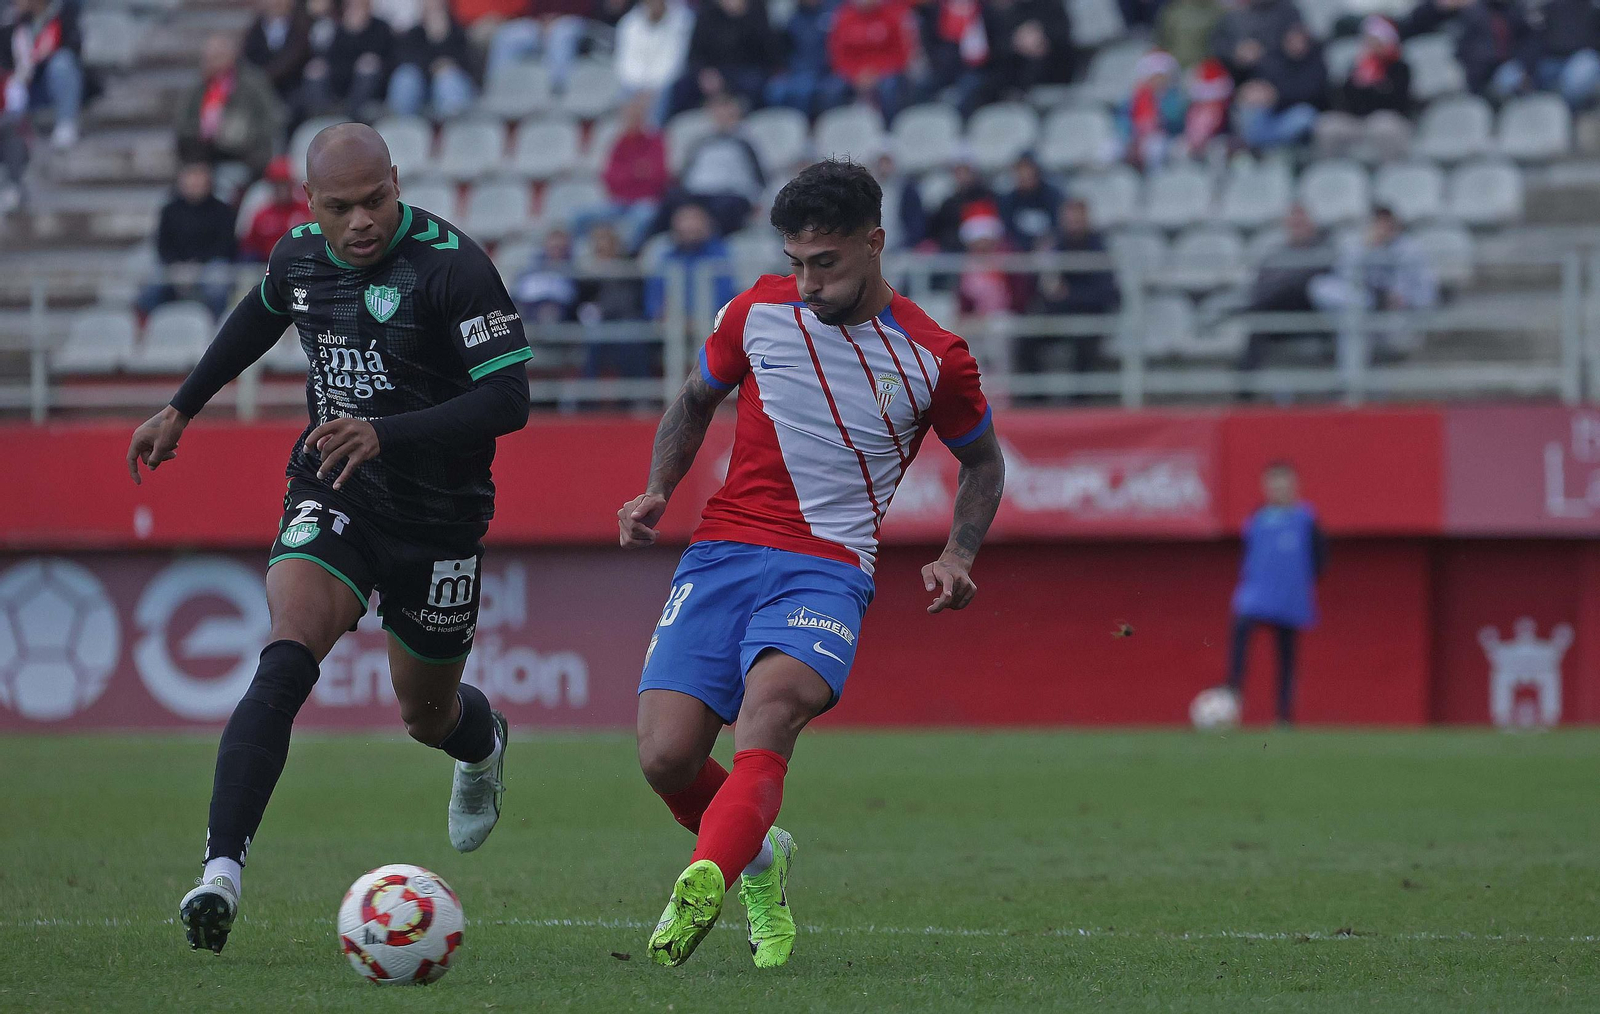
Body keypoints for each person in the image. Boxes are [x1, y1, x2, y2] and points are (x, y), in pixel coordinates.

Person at [127, 123, 532, 954]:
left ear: (398, 182)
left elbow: (510, 402)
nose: (360, 222)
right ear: (309, 203)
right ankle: (220, 875)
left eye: (375, 200)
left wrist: (388, 430)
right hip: (335, 488)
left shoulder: (454, 267)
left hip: (441, 518)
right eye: (340, 206)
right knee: (286, 653)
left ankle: (482, 742)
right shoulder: (297, 257)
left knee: (426, 717)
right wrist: (182, 405)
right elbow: (257, 317)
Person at [617, 158, 1005, 968]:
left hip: (826, 567)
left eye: (824, 264)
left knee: (771, 713)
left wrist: (958, 551)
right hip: (721, 553)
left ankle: (704, 879)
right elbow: (695, 400)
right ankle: (761, 854)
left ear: (875, 243)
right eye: (795, 262)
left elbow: (983, 461)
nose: (807, 283)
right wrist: (658, 488)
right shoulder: (755, 311)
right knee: (665, 757)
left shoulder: (936, 357)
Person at [1222, 461, 1325, 724]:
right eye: (1273, 483)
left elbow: (1320, 558)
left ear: (1294, 486)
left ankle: (1284, 715)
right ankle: (1231, 699)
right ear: (1265, 486)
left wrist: (1299, 583)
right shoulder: (1256, 519)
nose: (1279, 488)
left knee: (1286, 656)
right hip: (1255, 595)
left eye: (1284, 483)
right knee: (1241, 638)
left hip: (1289, 599)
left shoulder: (1307, 519)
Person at [1308, 205, 1437, 358]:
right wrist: (1366, 247)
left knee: (1353, 319)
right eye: (1378, 223)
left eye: (1386, 223)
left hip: (1396, 317)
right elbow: (1343, 275)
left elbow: (1426, 293)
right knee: (1322, 288)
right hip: (1364, 306)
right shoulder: (1358, 245)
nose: (1382, 228)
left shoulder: (1410, 250)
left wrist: (1405, 300)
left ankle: (1353, 374)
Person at [1021, 196, 1118, 376]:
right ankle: (1036, 399)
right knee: (1026, 338)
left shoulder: (1098, 248)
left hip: (1089, 315)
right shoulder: (1054, 245)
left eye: (1077, 220)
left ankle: (1080, 401)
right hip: (1057, 313)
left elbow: (1106, 293)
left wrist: (1069, 295)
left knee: (1084, 345)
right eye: (1069, 220)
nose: (1073, 224)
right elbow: (1041, 287)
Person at [136, 161, 240, 320]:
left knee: (217, 285)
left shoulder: (222, 210)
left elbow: (225, 245)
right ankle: (146, 332)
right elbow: (163, 245)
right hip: (174, 265)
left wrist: (197, 264)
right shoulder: (169, 211)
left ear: (208, 181)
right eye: (190, 177)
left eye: (198, 177)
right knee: (150, 288)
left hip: (209, 264)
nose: (194, 183)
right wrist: (177, 265)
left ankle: (217, 327)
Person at [1235, 202, 1331, 373]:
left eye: (1301, 223)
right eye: (1294, 224)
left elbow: (1315, 279)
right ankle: (1245, 389)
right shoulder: (1275, 255)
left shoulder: (1323, 249)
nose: (1298, 228)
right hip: (1276, 312)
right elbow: (1260, 284)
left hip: (1313, 313)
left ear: (1311, 225)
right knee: (1259, 321)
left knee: (1291, 291)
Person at [175, 34, 286, 177]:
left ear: (231, 56)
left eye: (217, 56)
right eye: (208, 58)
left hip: (245, 154)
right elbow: (183, 124)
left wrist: (245, 134)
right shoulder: (198, 89)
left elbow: (272, 118)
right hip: (206, 154)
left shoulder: (253, 83)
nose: (211, 62)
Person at [576, 92, 669, 252]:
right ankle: (590, 255)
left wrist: (628, 174)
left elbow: (658, 177)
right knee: (579, 217)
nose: (632, 120)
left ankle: (622, 255)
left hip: (645, 201)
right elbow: (609, 178)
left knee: (642, 218)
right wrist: (636, 172)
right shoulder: (619, 142)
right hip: (618, 201)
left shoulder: (656, 141)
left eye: (637, 116)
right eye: (629, 116)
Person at [1317, 16, 1411, 160]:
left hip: (1388, 119)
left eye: (1376, 40)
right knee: (1328, 126)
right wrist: (1356, 83)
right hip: (1357, 120)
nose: (1371, 45)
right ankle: (1331, 174)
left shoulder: (1400, 68)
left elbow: (1399, 102)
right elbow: (1343, 102)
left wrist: (1376, 86)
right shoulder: (1356, 66)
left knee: (1383, 126)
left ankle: (1392, 173)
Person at [3, 0, 83, 149]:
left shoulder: (64, 13)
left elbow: (74, 47)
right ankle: (11, 131)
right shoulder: (14, 21)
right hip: (24, 88)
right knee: (12, 84)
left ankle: (66, 123)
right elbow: (6, 59)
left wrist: (42, 55)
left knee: (62, 63)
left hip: (49, 82)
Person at [1233, 22, 1325, 150]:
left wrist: (1275, 95)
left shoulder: (1315, 62)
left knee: (1304, 115)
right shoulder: (1273, 59)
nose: (1295, 44)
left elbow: (1312, 93)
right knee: (1249, 109)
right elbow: (1257, 83)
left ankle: (1261, 146)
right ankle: (1262, 144)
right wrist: (1250, 91)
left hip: (1292, 113)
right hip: (1269, 115)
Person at [1492, 0, 1600, 108]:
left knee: (1580, 74)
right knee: (1505, 80)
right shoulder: (1539, 6)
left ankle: (1566, 113)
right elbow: (1530, 41)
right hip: (1543, 63)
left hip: (1579, 60)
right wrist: (1528, 71)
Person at [643, 201, 737, 323]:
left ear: (708, 223)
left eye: (695, 218)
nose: (689, 225)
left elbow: (728, 298)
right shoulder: (666, 259)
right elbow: (654, 302)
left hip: (715, 328)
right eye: (684, 219)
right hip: (669, 330)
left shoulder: (724, 257)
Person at [299, 0, 394, 119]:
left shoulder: (381, 27)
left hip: (372, 85)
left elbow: (384, 58)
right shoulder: (337, 28)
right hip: (339, 79)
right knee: (315, 69)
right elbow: (331, 57)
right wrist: (350, 31)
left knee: (368, 66)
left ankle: (351, 117)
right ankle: (322, 118)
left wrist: (358, 31)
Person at [388, 0, 479, 116]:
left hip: (452, 87)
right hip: (420, 87)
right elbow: (406, 61)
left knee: (448, 78)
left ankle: (453, 126)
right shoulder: (413, 34)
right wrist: (433, 66)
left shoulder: (458, 33)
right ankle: (400, 126)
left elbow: (467, 64)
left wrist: (441, 39)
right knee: (406, 77)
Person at [827, 0, 915, 119]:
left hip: (885, 72)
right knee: (833, 89)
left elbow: (901, 53)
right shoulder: (844, 17)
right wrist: (856, 74)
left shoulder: (891, 16)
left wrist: (876, 72)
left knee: (890, 87)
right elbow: (838, 55)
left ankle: (890, 129)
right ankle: (837, 130)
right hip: (853, 74)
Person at [484, 0, 595, 93]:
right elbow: (533, 7)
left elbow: (586, 7)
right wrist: (542, 20)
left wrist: (556, 19)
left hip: (576, 21)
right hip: (541, 22)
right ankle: (498, 88)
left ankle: (557, 90)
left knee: (560, 33)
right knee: (506, 35)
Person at [613, 0, 694, 119]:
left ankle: (654, 133)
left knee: (662, 95)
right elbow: (625, 62)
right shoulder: (629, 23)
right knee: (623, 92)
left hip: (662, 84)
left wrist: (651, 90)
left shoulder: (682, 21)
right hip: (634, 85)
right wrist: (639, 88)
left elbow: (673, 62)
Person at [765, 0, 843, 118]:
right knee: (774, 90)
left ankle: (805, 128)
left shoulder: (832, 14)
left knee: (803, 90)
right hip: (796, 70)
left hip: (824, 71)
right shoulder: (793, 19)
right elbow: (784, 50)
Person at [240, 156, 314, 262]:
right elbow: (249, 248)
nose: (281, 189)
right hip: (268, 266)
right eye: (277, 184)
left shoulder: (306, 210)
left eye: (285, 184)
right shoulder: (262, 215)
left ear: (291, 184)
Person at [1210, 0, 1301, 83]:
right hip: (1242, 83)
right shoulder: (1234, 15)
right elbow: (1217, 45)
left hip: (1282, 83)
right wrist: (1236, 52)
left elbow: (1299, 51)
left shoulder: (1289, 12)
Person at [242, 0, 313, 102]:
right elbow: (249, 58)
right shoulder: (255, 31)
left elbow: (295, 57)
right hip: (259, 91)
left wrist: (266, 76)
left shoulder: (301, 27)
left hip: (293, 89)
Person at [1156, 0, 1221, 70]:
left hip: (1203, 68)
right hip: (1176, 65)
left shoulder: (1216, 12)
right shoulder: (1173, 12)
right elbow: (1163, 40)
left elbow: (1217, 44)